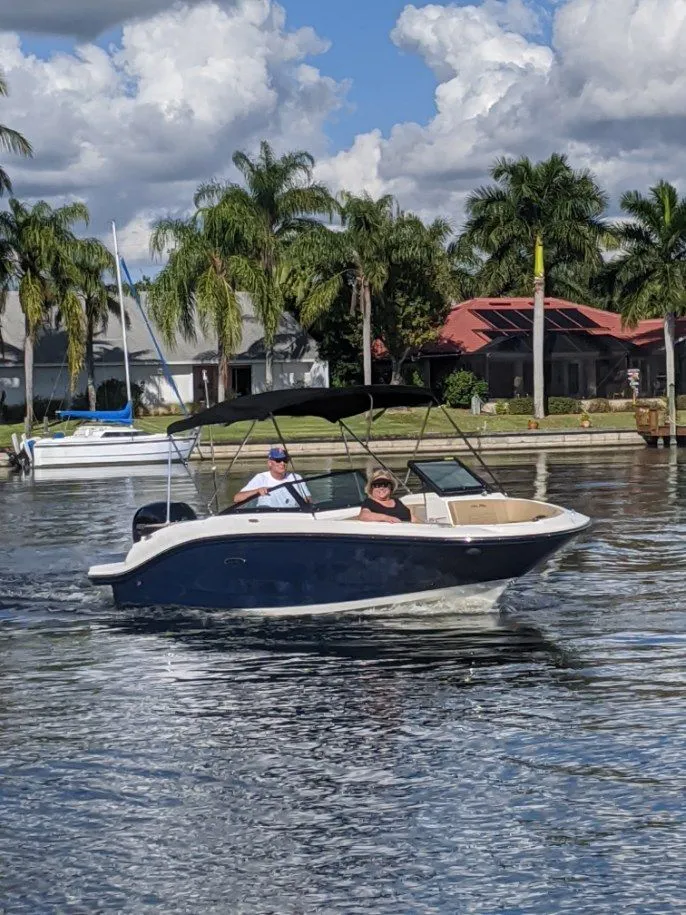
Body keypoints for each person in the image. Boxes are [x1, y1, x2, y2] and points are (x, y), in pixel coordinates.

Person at [233, 446, 310, 509]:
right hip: (267, 517)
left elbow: (308, 500)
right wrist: (257, 491)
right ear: (270, 463)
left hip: (292, 516)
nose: (282, 463)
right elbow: (237, 498)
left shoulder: (296, 477)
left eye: (285, 460)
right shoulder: (261, 478)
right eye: (278, 460)